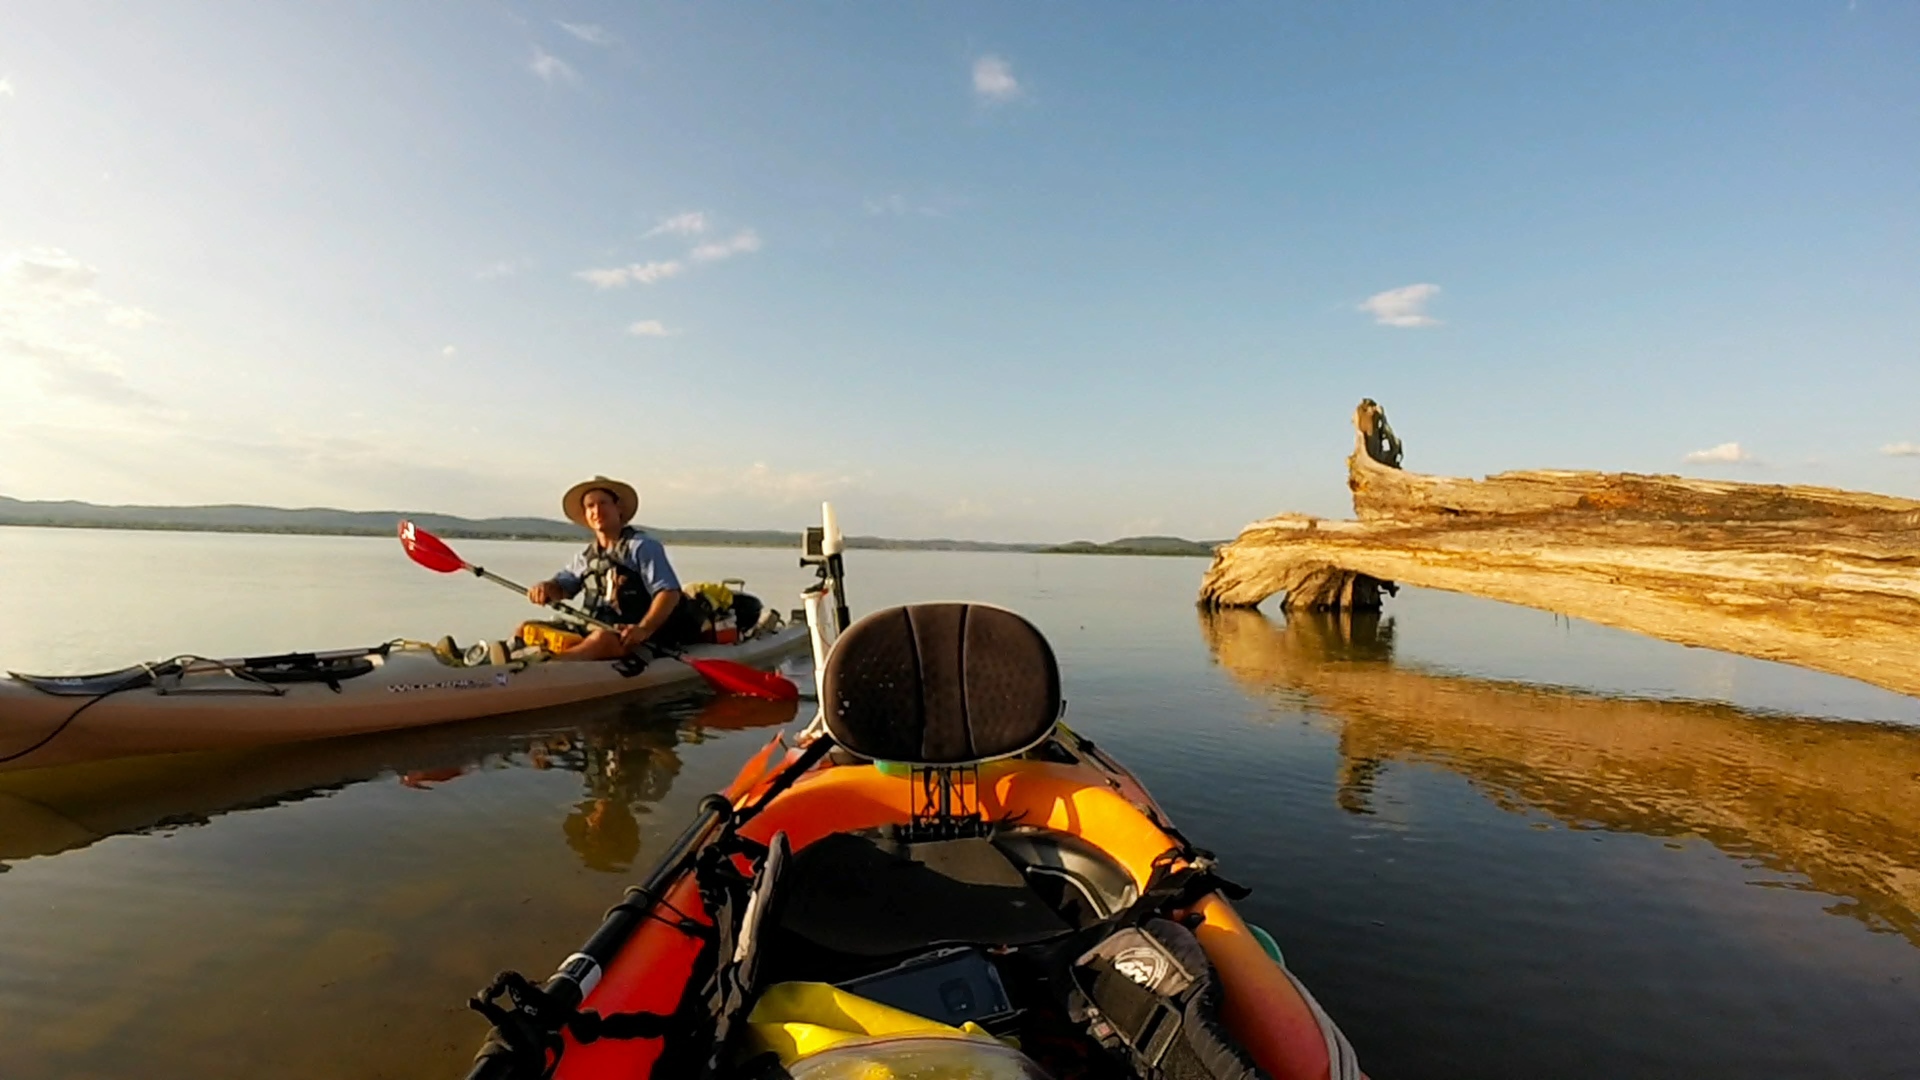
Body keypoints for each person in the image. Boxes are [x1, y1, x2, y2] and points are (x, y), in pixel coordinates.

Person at [526, 476, 702, 661]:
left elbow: (668, 592)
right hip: (597, 628)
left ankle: (550, 668)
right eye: (590, 506)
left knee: (601, 639)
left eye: (603, 503)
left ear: (618, 508)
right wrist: (545, 588)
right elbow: (561, 587)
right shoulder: (586, 557)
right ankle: (516, 665)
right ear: (586, 514)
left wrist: (643, 628)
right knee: (527, 628)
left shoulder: (643, 546)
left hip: (638, 635)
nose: (597, 510)